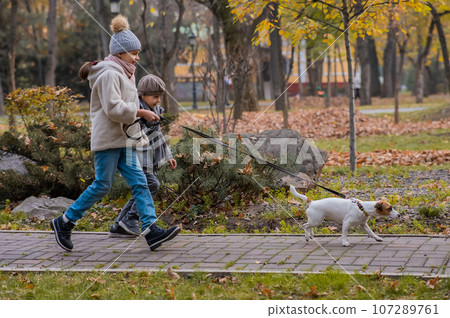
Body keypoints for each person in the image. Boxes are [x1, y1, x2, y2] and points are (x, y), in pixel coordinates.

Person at [50, 15, 180, 252]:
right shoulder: (110, 74)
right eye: (134, 53)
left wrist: (144, 116)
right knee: (102, 185)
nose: (137, 58)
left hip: (124, 142)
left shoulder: (126, 73)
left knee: (141, 182)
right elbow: (113, 109)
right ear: (120, 54)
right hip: (108, 141)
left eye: (138, 52)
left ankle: (151, 230)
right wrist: (141, 112)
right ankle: (64, 222)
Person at [109, 74, 177, 237]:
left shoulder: (155, 111)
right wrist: (144, 117)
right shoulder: (134, 110)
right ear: (142, 95)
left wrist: (168, 155)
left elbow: (159, 136)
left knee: (142, 189)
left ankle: (120, 224)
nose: (158, 100)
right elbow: (129, 130)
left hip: (147, 160)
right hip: (135, 158)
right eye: (155, 96)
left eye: (160, 96)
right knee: (152, 185)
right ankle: (129, 219)